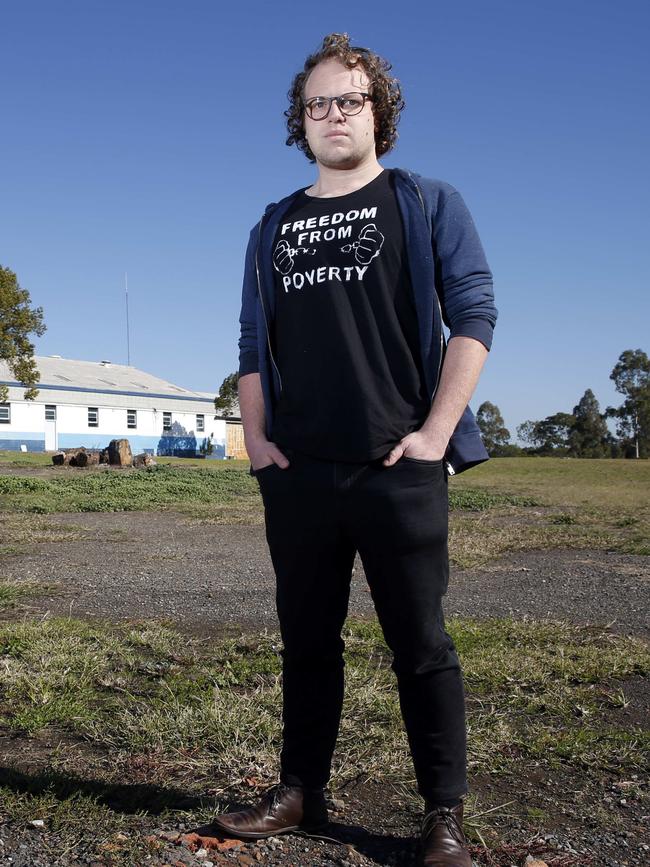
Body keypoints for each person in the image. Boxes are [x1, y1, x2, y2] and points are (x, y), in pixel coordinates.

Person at [213, 33, 497, 866]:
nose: (333, 114)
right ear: (298, 122)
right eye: (317, 104)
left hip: (397, 467)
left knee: (422, 644)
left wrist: (434, 435)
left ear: (380, 112)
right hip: (298, 471)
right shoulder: (272, 226)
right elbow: (251, 343)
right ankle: (300, 788)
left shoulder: (426, 201)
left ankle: (441, 813)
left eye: (350, 100)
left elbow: (473, 313)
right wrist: (257, 438)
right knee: (306, 639)